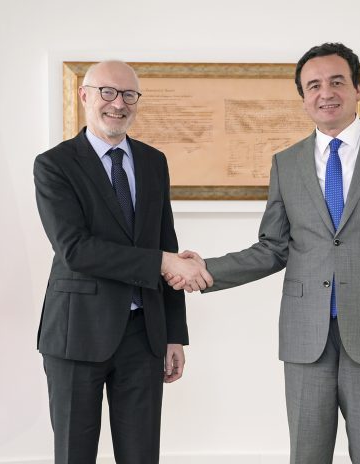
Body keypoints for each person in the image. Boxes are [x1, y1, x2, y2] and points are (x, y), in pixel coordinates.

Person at [167, 43, 360, 463]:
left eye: (336, 82)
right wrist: (206, 270)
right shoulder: (287, 163)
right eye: (313, 86)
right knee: (307, 455)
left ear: (357, 89)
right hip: (305, 335)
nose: (325, 92)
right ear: (303, 97)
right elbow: (273, 248)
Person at [34, 60, 211, 464]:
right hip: (76, 333)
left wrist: (173, 334)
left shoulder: (153, 161)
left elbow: (167, 244)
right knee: (74, 456)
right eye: (107, 92)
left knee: (141, 456)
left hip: (142, 335)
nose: (118, 104)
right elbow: (75, 249)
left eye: (129, 95)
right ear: (84, 96)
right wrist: (162, 261)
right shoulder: (54, 164)